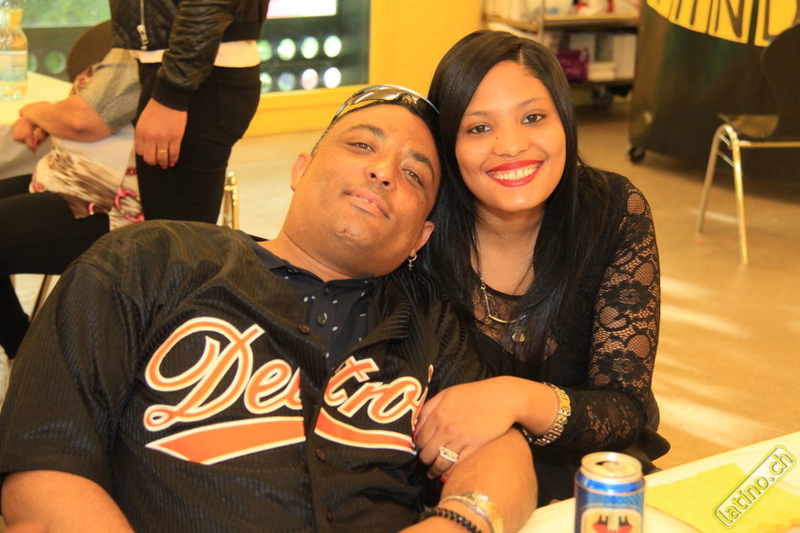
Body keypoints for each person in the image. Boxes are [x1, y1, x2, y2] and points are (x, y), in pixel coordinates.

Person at [0, 85, 537, 533]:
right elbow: (41, 469)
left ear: (420, 237)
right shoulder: (149, 261)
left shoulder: (427, 320)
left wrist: (459, 522)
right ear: (301, 169)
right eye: (361, 146)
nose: (383, 171)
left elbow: (502, 454)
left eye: (415, 175)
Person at [414, 30, 669, 505]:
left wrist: (515, 397)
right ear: (448, 144)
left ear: (565, 121)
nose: (511, 145)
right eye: (479, 128)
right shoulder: (419, 231)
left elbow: (624, 408)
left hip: (588, 472)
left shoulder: (611, 209)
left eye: (533, 117)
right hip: (458, 486)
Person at [0, 47, 141, 364]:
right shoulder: (125, 52)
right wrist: (50, 118)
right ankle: (22, 349)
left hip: (106, 207)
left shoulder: (140, 58)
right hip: (64, 180)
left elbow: (82, 120)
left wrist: (37, 112)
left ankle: (26, 355)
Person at [110, 0, 271, 223]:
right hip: (183, 65)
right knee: (172, 231)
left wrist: (172, 93)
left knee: (178, 235)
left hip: (193, 70)